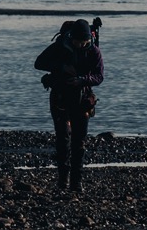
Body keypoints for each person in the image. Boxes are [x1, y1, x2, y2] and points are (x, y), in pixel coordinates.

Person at [34, 18, 104, 193]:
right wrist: (61, 68)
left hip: (82, 100)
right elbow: (39, 63)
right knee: (63, 140)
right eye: (79, 42)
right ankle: (62, 181)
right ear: (71, 37)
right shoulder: (60, 47)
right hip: (60, 98)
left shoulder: (94, 51)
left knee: (79, 143)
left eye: (85, 42)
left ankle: (76, 183)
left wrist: (82, 80)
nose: (81, 45)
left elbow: (99, 76)